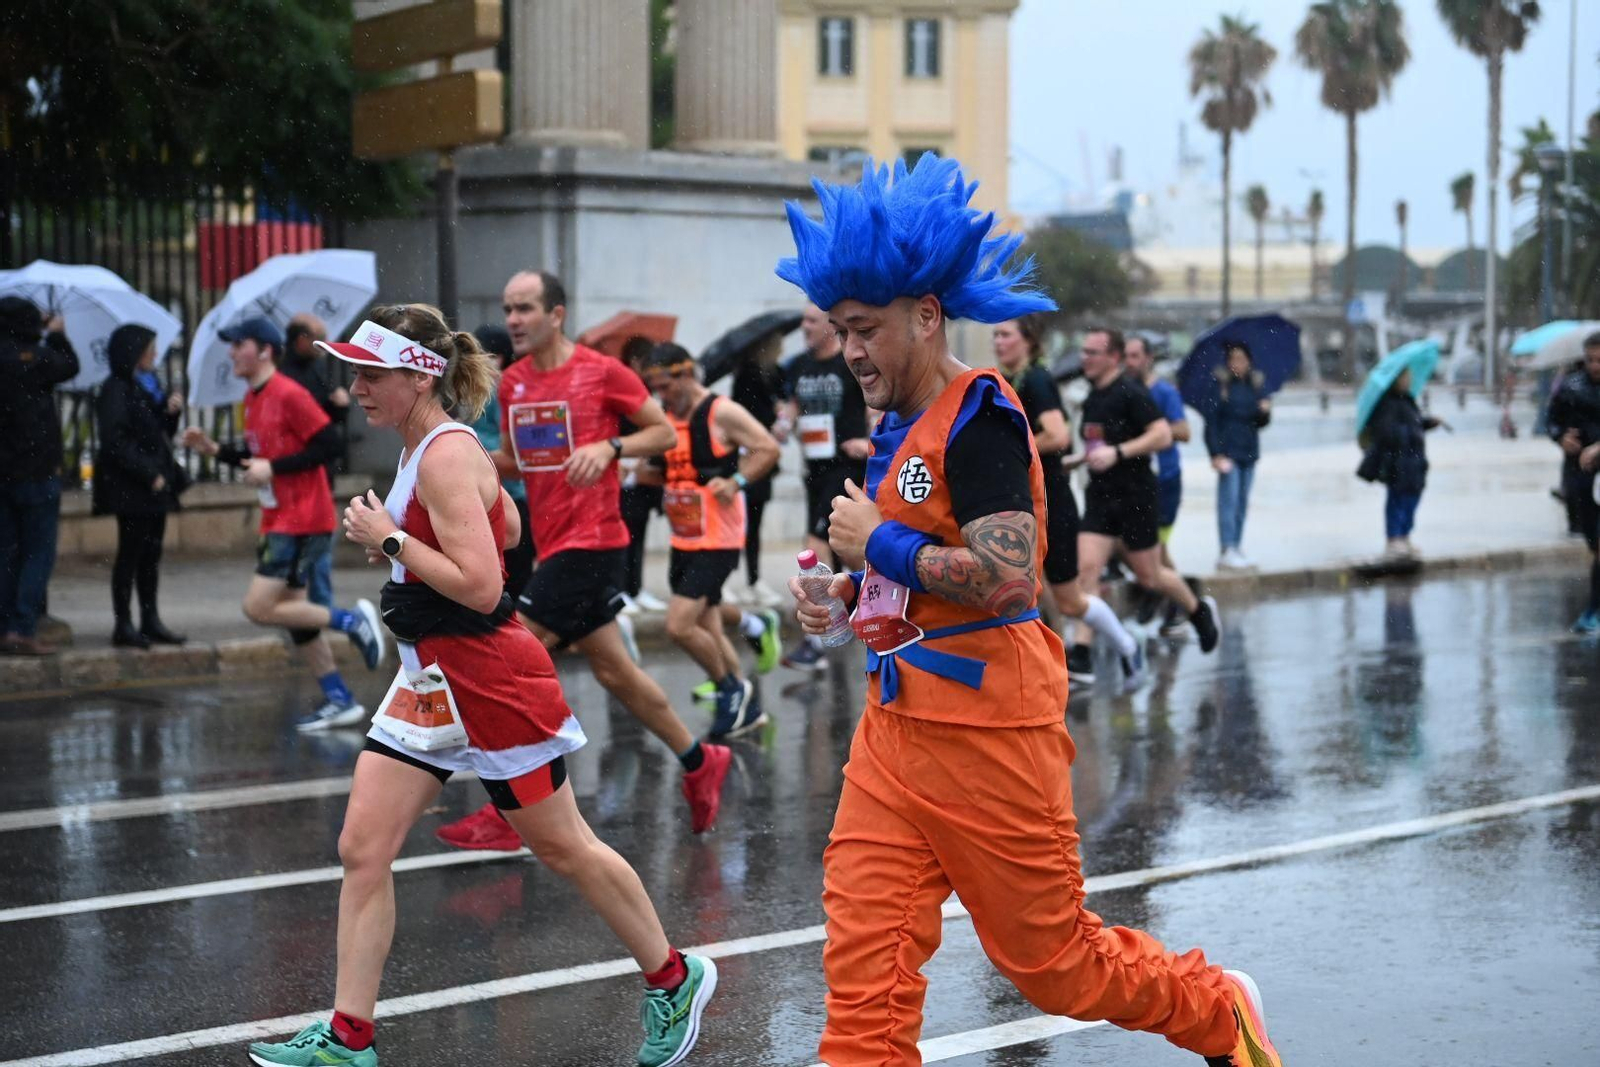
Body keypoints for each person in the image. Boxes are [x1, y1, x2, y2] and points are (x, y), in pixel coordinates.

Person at [779, 153, 1281, 1067]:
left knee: (1056, 965)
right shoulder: (895, 423)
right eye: (838, 329)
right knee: (863, 982)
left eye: (864, 328)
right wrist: (843, 592)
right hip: (894, 732)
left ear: (926, 316)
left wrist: (876, 546)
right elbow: (912, 571)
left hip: (991, 727)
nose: (849, 349)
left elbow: (1011, 577)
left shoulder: (979, 418)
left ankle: (1218, 1008)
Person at [246, 304, 716, 1067]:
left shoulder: (443, 454)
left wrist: (392, 538)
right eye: (355, 371)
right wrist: (416, 539)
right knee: (363, 846)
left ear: (420, 374)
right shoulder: (425, 448)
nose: (357, 386)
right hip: (429, 676)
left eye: (373, 373)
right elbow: (512, 529)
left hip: (490, 676)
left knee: (564, 848)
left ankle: (674, 974)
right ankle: (347, 1038)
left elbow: (482, 582)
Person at [434, 270, 731, 852]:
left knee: (505, 660)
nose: (514, 319)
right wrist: (453, 454)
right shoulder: (514, 382)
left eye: (525, 308)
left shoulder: (601, 373)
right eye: (508, 308)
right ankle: (701, 761)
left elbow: (662, 437)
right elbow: (519, 464)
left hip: (594, 544)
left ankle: (511, 811)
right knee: (615, 671)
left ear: (557, 314)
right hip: (556, 541)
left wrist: (609, 446)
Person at [182, 316, 386, 730]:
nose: (232, 352)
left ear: (264, 350)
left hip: (302, 519)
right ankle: (339, 698)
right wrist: (214, 449)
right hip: (280, 518)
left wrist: (272, 468)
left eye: (239, 344)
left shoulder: (289, 393)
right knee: (293, 613)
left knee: (258, 607)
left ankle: (352, 621)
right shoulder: (253, 397)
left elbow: (328, 443)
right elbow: (259, 454)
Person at [991, 316, 1143, 690]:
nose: (998, 341)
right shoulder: (1007, 380)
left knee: (1071, 601)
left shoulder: (1039, 380)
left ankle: (1126, 645)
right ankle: (1037, 673)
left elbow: (1058, 436)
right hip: (1020, 503)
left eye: (1006, 334)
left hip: (1052, 504)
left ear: (1028, 340)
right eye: (995, 334)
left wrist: (1007, 452)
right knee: (1018, 593)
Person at [644, 343, 781, 738]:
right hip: (683, 534)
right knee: (707, 622)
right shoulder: (666, 416)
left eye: (665, 386)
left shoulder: (721, 411)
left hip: (718, 536)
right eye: (654, 388)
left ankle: (732, 688)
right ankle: (744, 703)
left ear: (686, 373)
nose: (661, 396)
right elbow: (669, 468)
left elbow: (768, 448)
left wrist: (736, 480)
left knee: (679, 625)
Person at [1075, 328, 1221, 655]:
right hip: (1100, 498)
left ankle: (1198, 610)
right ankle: (1082, 653)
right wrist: (1076, 460)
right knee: (1087, 574)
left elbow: (1162, 436)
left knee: (1151, 577)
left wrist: (1119, 452)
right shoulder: (1091, 397)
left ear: (1113, 357)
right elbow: (1096, 442)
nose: (1084, 358)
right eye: (1083, 352)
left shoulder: (1132, 392)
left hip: (1135, 498)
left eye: (1092, 352)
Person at [778, 301, 873, 671]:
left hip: (846, 467)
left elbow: (873, 407)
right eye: (802, 319)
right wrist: (782, 424)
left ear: (830, 327)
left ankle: (816, 642)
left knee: (813, 549)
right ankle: (867, 609)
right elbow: (791, 405)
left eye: (811, 321)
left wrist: (868, 442)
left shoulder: (847, 363)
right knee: (843, 554)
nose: (804, 327)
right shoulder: (799, 366)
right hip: (814, 469)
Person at [93, 324, 188, 648]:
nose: (154, 355)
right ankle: (124, 623)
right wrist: (149, 474)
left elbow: (154, 430)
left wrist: (170, 413)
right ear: (132, 352)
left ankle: (150, 619)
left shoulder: (145, 385)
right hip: (133, 488)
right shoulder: (116, 389)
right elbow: (115, 442)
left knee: (151, 555)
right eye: (149, 349)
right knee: (130, 556)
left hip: (154, 488)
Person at [0, 297, 78, 656]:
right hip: (38, 471)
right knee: (37, 553)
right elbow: (70, 367)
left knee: (8, 551)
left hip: (4, 472)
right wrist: (56, 334)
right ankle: (23, 626)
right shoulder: (40, 357)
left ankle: (5, 626)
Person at [1125, 335, 1197, 637]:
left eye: (1135, 356)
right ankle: (1169, 598)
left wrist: (1152, 429)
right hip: (1137, 482)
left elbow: (1184, 431)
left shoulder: (1163, 392)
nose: (1130, 362)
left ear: (1149, 358)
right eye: (1126, 356)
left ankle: (1181, 605)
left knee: (1158, 548)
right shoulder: (1126, 390)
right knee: (1143, 548)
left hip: (1165, 481)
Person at [470, 323, 535, 598]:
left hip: (508, 496)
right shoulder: (480, 389)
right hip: (494, 494)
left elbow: (516, 452)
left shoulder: (502, 389)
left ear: (498, 358)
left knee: (510, 581)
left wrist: (471, 453)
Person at [730, 332, 788, 608]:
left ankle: (753, 579)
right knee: (743, 521)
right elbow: (746, 417)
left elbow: (781, 405)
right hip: (750, 455)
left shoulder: (775, 373)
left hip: (765, 456)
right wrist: (771, 418)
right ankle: (740, 579)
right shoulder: (748, 376)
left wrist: (781, 414)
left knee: (755, 521)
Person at [1547, 333, 1600, 633]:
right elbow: (1551, 419)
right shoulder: (1571, 387)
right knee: (1594, 545)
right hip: (1581, 477)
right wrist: (1560, 436)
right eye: (1591, 359)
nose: (1595, 366)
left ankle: (1593, 609)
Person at [1359, 368, 1442, 558]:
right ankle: (1394, 538)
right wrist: (1406, 433)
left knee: (1413, 497)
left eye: (1409, 378)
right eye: (1405, 378)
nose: (1408, 381)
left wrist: (1429, 422)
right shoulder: (1387, 403)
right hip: (1397, 460)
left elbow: (1415, 422)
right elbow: (1385, 430)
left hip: (1415, 459)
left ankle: (1404, 535)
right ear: (1395, 380)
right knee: (1398, 498)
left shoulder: (1408, 400)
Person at [1202, 341, 1272, 570]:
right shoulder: (1220, 386)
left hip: (1249, 451)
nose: (1237, 364)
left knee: (1242, 502)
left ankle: (1237, 545)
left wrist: (1264, 411)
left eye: (1241, 359)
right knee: (1228, 501)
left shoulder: (1255, 386)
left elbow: (1259, 423)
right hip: (1228, 452)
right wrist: (1215, 453)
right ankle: (1226, 547)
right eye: (1233, 359)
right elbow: (1211, 422)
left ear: (1249, 361)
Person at [617, 335, 668, 614]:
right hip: (628, 474)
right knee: (627, 534)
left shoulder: (647, 393)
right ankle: (624, 590)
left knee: (640, 532)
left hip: (645, 476)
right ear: (637, 361)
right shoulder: (625, 392)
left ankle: (636, 588)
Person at [281, 314, 351, 479]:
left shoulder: (316, 366)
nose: (323, 343)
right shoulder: (284, 373)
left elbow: (329, 414)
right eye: (318, 338)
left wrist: (339, 405)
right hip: (297, 461)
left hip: (320, 461)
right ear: (302, 339)